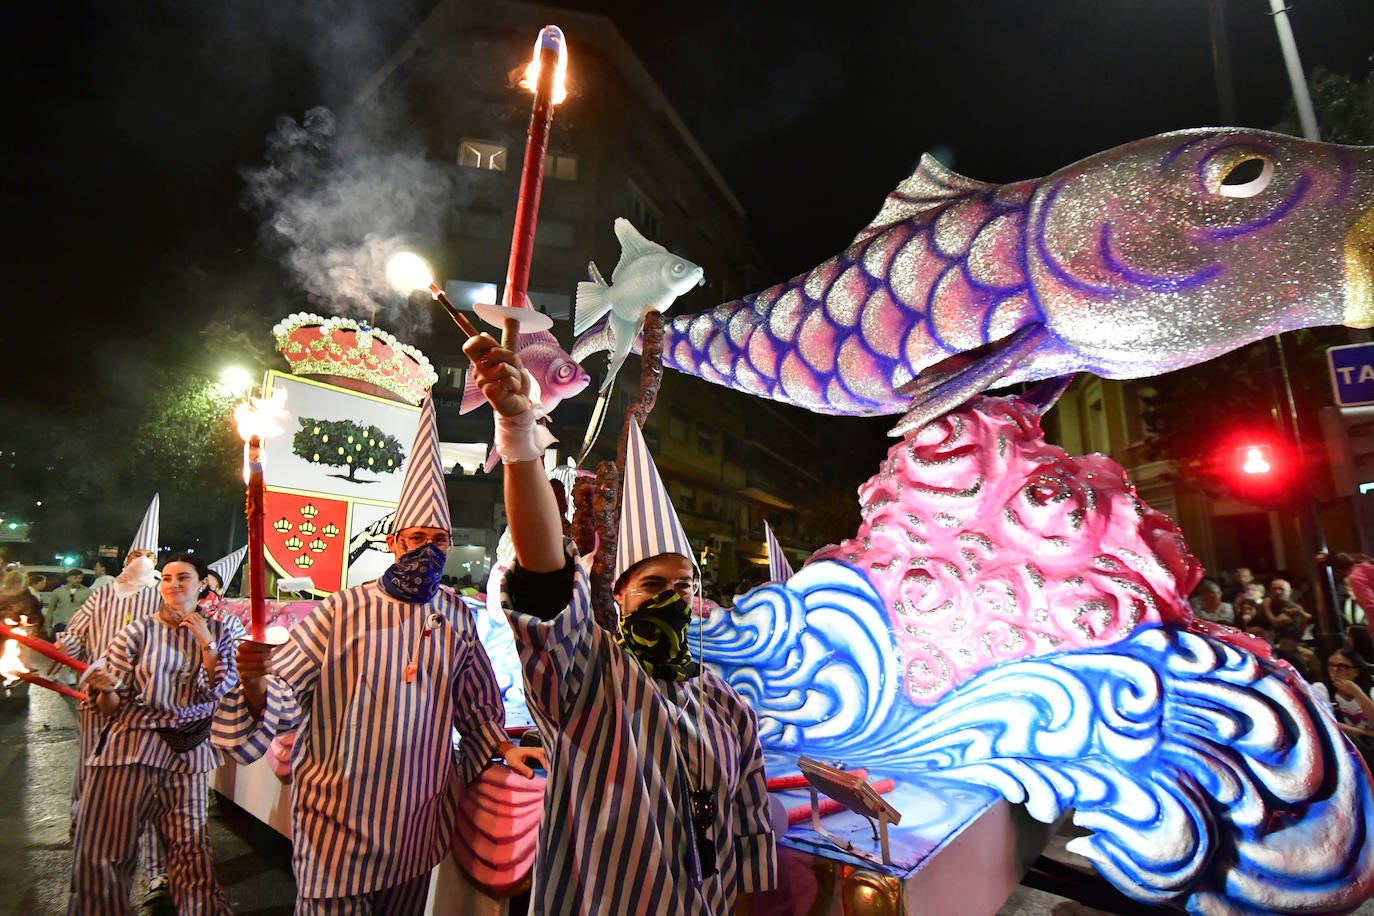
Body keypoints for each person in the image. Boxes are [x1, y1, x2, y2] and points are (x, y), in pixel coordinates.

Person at [465, 332, 778, 915]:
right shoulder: (590, 676)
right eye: (653, 586)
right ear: (621, 596)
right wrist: (517, 436)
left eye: (683, 587)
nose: (672, 599)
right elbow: (547, 582)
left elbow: (747, 826)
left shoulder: (726, 704)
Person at [213, 396, 543, 914]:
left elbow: (477, 706)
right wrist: (255, 683)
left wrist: (503, 749)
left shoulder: (457, 615)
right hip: (336, 829)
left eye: (440, 540)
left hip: (416, 829)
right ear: (394, 542)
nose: (429, 550)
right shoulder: (340, 611)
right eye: (418, 538)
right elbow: (283, 690)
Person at [69, 553, 237, 914]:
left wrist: (206, 642)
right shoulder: (136, 631)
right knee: (105, 848)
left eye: (184, 577)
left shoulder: (223, 632)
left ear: (202, 584)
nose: (174, 584)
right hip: (131, 749)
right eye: (168, 578)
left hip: (189, 755)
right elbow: (112, 705)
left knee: (190, 850)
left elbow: (219, 689)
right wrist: (106, 686)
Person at [56, 495, 168, 899]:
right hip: (93, 699)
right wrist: (64, 647)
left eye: (150, 554)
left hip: (139, 707)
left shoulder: (160, 598)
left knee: (146, 784)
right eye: (138, 552)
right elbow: (75, 632)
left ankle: (156, 869)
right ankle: (82, 835)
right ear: (126, 558)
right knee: (89, 768)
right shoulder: (102, 594)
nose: (144, 559)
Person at [1311, 649, 1374, 768]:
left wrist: (1357, 692)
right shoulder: (1321, 689)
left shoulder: (1370, 692)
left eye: (1341, 666)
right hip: (1340, 749)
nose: (1334, 670)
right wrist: (1364, 733)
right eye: (1331, 665)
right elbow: (1324, 722)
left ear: (1356, 671)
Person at [48, 568, 92, 635]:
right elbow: (51, 609)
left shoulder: (87, 592)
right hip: (60, 625)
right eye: (75, 578)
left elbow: (90, 610)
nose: (78, 580)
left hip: (77, 626)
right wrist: (48, 626)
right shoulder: (58, 591)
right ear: (68, 578)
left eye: (80, 578)